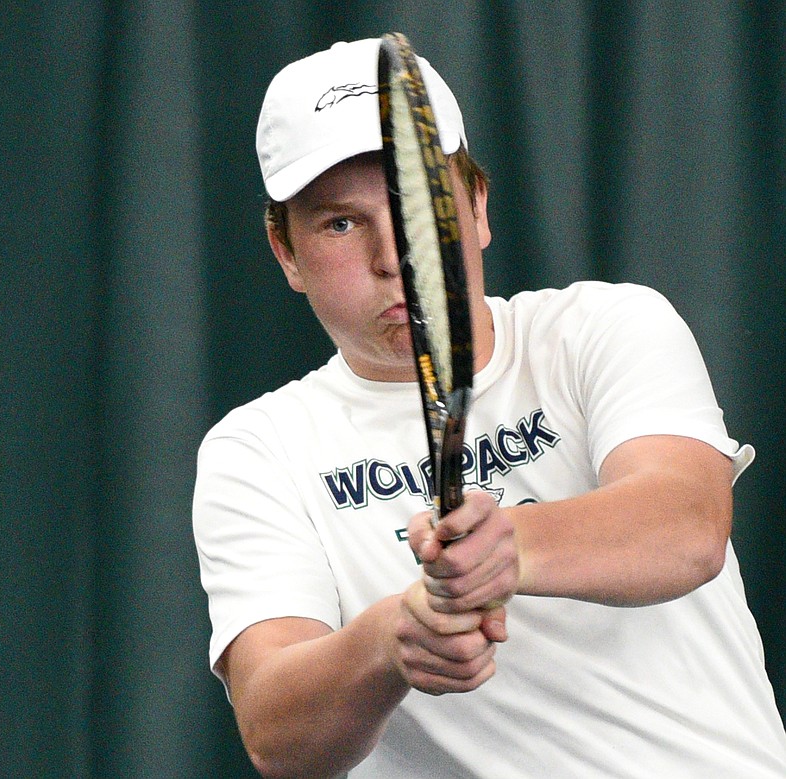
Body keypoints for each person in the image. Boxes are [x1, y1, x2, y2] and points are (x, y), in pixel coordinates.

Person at [192, 37, 786, 778]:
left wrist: (508, 547)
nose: (394, 257)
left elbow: (688, 524)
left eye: (417, 207)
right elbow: (276, 734)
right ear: (286, 253)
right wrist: (389, 641)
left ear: (475, 207)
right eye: (340, 223)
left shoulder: (605, 327)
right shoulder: (256, 448)